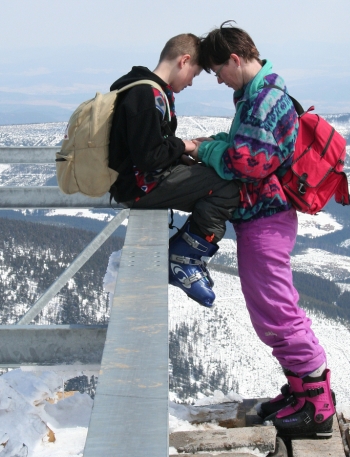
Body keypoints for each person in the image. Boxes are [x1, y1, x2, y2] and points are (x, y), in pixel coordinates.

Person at [191, 22, 336, 439]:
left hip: (266, 217)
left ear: (235, 60)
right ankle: (299, 391)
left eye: (218, 70)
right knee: (270, 308)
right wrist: (217, 142)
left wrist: (203, 148)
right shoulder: (258, 95)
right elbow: (247, 147)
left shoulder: (264, 99)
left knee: (277, 310)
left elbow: (248, 162)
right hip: (263, 215)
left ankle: (317, 406)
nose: (217, 79)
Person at [108, 33, 240, 308]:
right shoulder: (146, 95)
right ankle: (184, 259)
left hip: (140, 183)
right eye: (193, 74)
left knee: (212, 178)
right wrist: (185, 145)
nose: (190, 82)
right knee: (228, 186)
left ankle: (186, 253)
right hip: (141, 187)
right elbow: (148, 157)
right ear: (184, 60)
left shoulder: (144, 89)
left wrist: (184, 157)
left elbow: (148, 149)